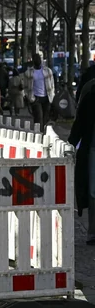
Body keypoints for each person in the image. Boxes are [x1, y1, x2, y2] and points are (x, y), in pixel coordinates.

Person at [67, 64, 95, 243]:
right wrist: (70, 142)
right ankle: (93, 232)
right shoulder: (90, 90)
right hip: (93, 147)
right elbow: (81, 118)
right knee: (93, 191)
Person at [29, 52, 55, 126]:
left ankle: (44, 131)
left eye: (38, 59)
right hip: (36, 98)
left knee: (45, 118)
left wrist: (52, 95)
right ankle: (38, 131)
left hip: (47, 97)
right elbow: (26, 86)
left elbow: (52, 83)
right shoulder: (29, 72)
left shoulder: (47, 71)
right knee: (39, 117)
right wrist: (30, 98)